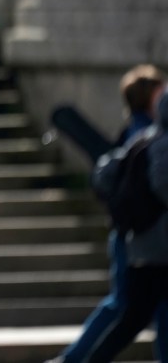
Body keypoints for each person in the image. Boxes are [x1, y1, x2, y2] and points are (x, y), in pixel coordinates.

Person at [47, 64, 167, 363]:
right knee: (129, 311)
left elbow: (105, 174)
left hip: (136, 234)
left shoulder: (138, 133)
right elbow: (160, 183)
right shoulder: (150, 134)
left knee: (135, 311)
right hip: (147, 238)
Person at [85, 89, 168, 362]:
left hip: (143, 244)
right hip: (159, 247)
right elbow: (162, 184)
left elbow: (105, 173)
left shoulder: (144, 139)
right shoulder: (163, 144)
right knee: (134, 317)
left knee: (135, 318)